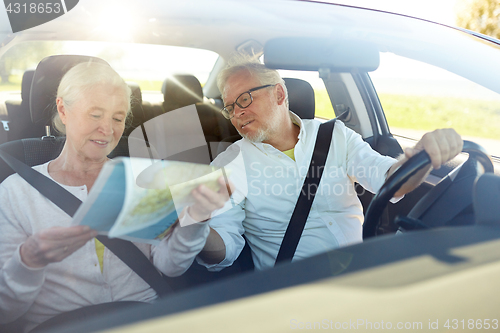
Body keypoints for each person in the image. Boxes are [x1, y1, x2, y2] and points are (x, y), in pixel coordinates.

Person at [0, 62, 231, 332]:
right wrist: (29, 260)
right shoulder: (15, 192)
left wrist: (196, 218)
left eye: (118, 118)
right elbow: (6, 311)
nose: (108, 130)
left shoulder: (143, 178)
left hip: (145, 319)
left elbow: (170, 267)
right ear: (63, 110)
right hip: (60, 325)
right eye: (95, 115)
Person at [194, 56, 463, 271]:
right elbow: (224, 249)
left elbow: (390, 180)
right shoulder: (227, 164)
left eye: (245, 99)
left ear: (278, 94)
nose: (237, 112)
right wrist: (194, 229)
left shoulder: (335, 135)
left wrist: (419, 154)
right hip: (297, 295)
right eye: (229, 107)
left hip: (363, 275)